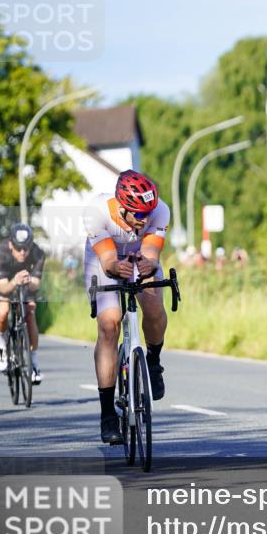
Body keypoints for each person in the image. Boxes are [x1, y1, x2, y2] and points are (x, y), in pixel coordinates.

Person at [83, 170, 170, 445]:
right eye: (138, 214)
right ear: (122, 207)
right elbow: (109, 261)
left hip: (137, 253)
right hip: (104, 257)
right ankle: (107, 413)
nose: (144, 219)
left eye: (148, 213)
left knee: (153, 300)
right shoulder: (97, 211)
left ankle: (153, 363)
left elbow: (151, 255)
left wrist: (149, 265)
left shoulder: (160, 211)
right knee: (110, 322)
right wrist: (115, 266)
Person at [0, 224, 45, 383]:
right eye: (18, 248)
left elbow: (36, 285)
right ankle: (1, 345)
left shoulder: (38, 253)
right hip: (5, 281)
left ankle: (34, 362)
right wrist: (15, 280)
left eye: (26, 248)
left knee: (30, 311)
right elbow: (3, 287)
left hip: (25, 282)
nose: (22, 252)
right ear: (10, 244)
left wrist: (29, 282)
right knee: (3, 311)